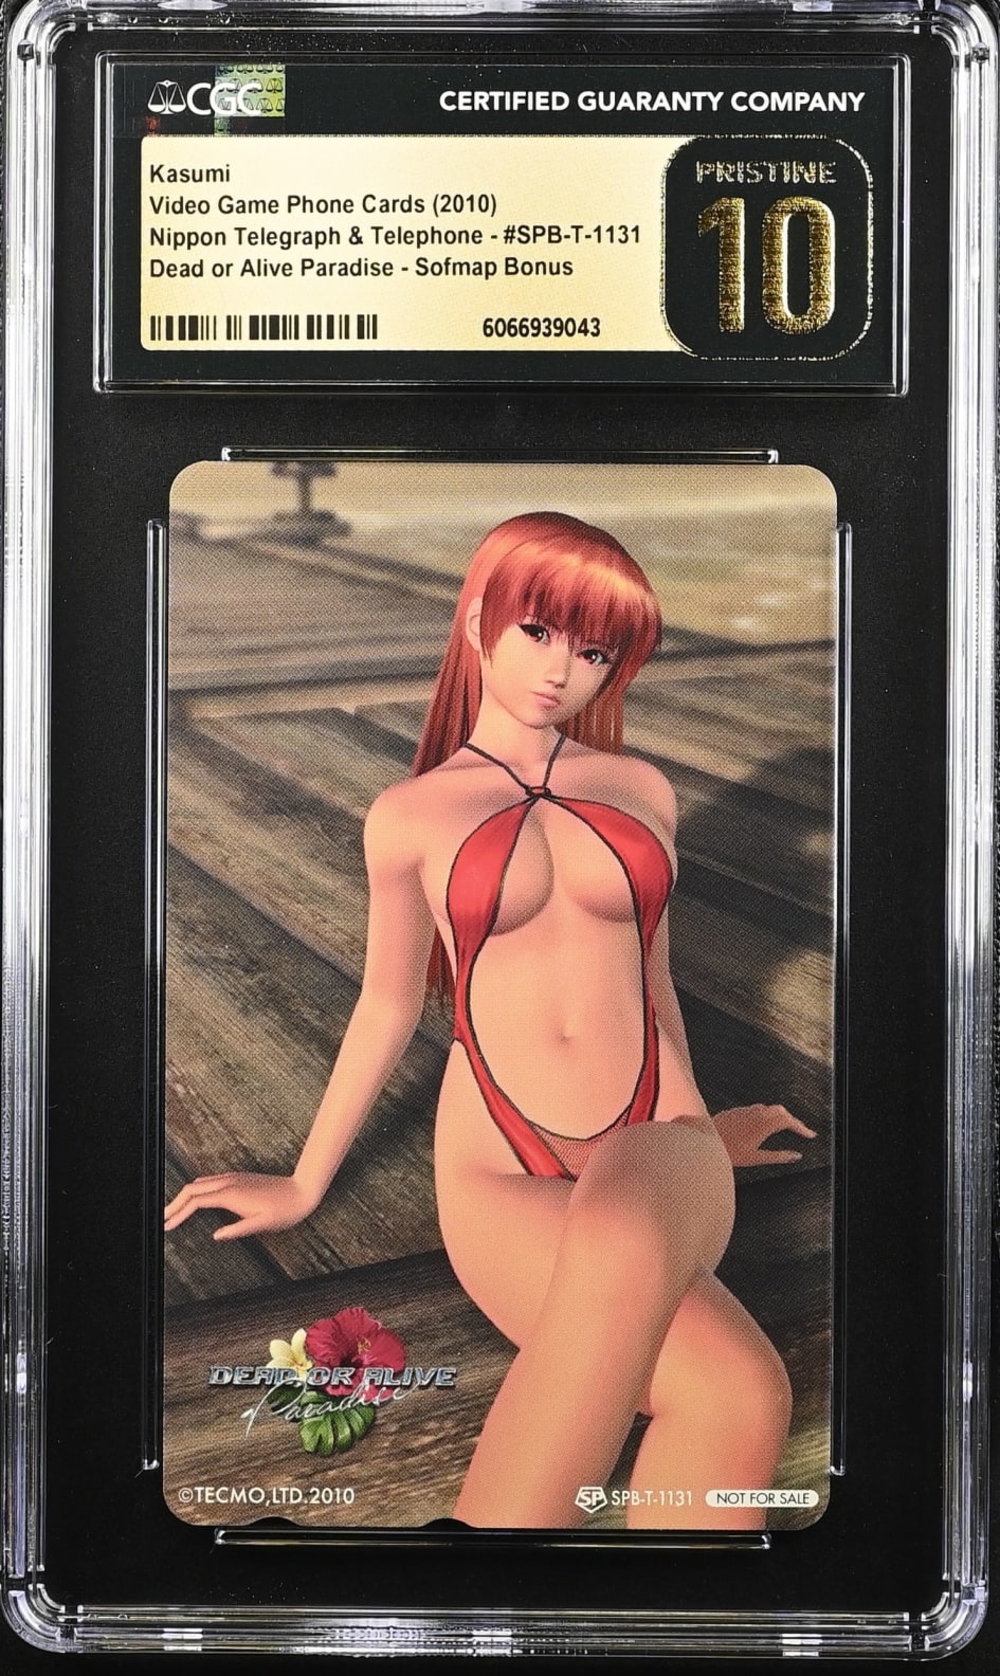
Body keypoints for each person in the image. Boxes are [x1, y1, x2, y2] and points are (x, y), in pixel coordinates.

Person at [165, 511, 814, 1529]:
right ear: (477, 623)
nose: (561, 670)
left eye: (595, 653)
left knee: (626, 1217)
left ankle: (469, 1575)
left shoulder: (640, 788)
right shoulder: (410, 814)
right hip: (497, 1160)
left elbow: (652, 980)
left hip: (656, 1127)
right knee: (738, 1392)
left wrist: (702, 1134)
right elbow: (387, 1001)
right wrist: (304, 1179)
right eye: (538, 632)